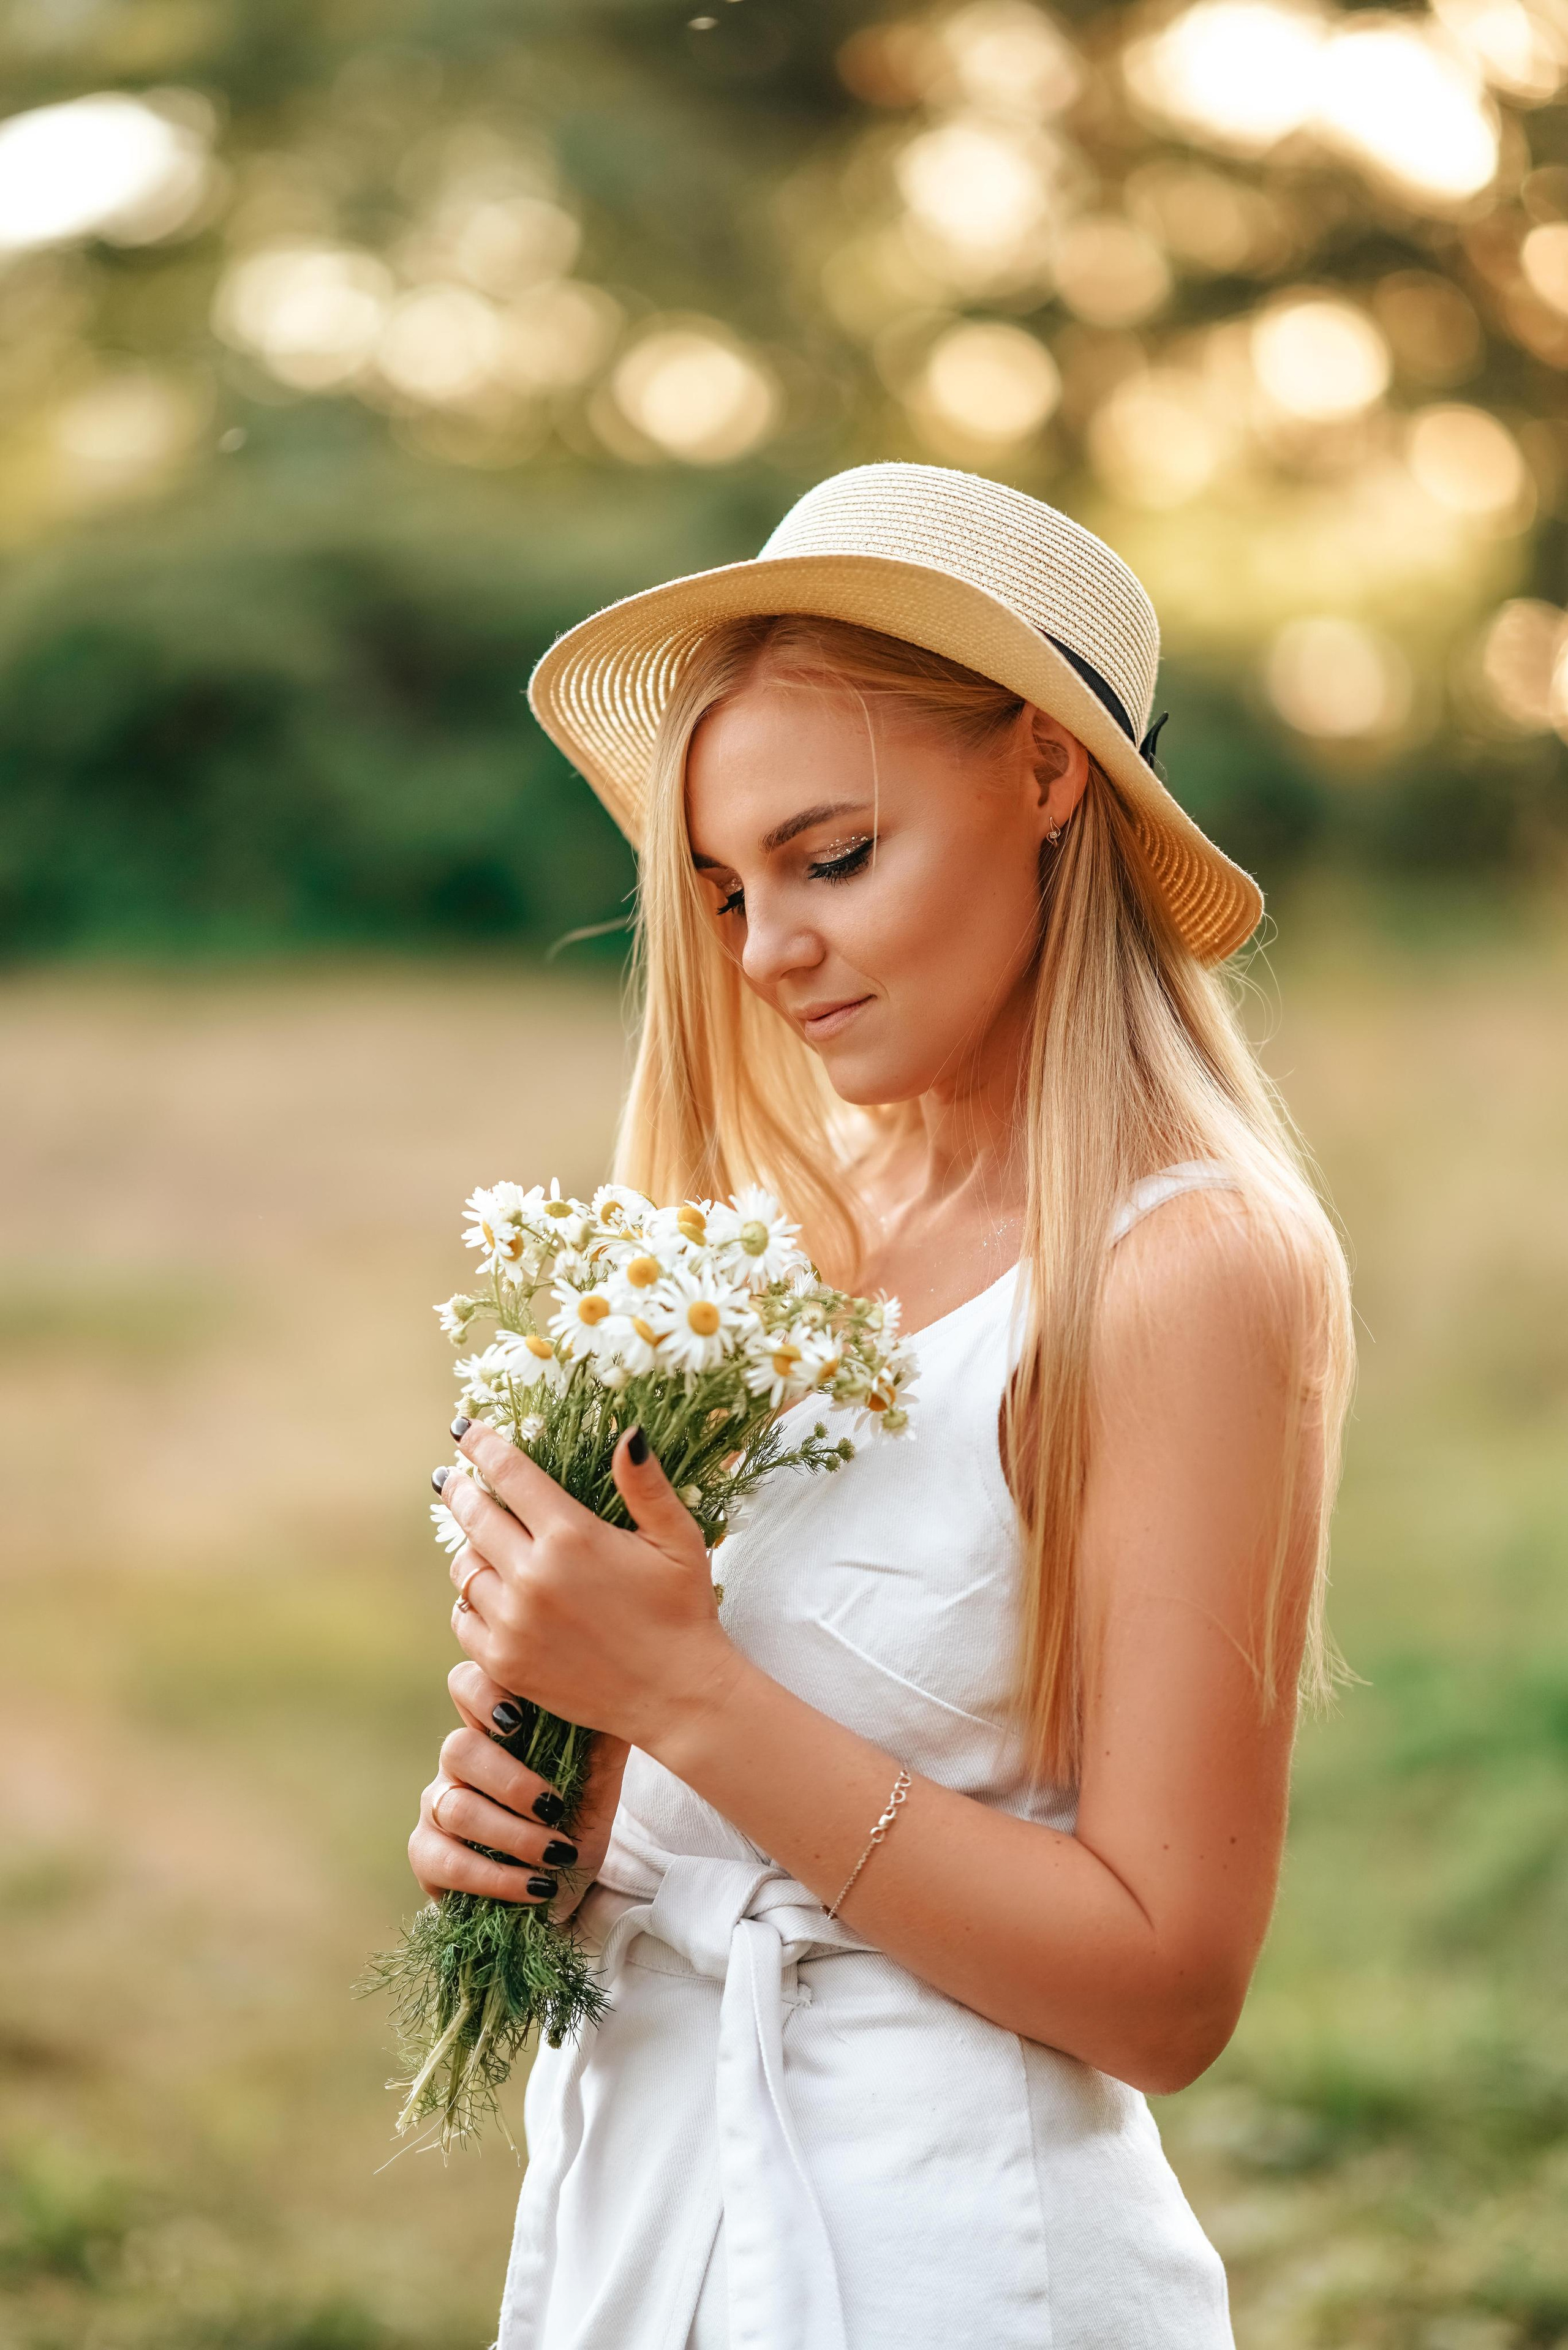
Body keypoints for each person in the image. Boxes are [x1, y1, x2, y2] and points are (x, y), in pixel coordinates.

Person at [407, 462, 1355, 2350]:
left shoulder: (1182, 1266)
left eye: (831, 859)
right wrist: (553, 1808)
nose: (765, 952)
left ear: (1046, 775)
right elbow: (745, 1753)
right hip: (640, 2220)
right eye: (724, 888)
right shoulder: (784, 1246)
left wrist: (684, 1689)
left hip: (948, 2265)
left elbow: (1169, 1991)